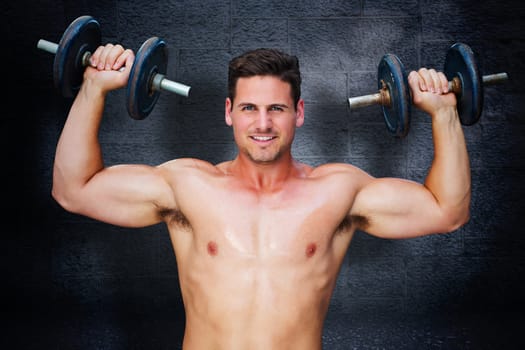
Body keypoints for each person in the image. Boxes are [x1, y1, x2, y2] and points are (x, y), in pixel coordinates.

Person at [52, 43, 470, 349]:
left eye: (277, 109)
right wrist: (94, 87)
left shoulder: (337, 191)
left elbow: (447, 211)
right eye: (250, 108)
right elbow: (74, 190)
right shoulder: (187, 186)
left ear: (299, 112)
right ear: (229, 112)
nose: (263, 123)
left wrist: (445, 112)